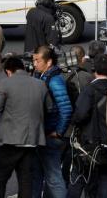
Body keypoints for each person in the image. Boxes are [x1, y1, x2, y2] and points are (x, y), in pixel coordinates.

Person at [0, 55, 47, 198]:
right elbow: (48, 107)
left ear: (8, 70)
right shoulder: (40, 84)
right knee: (26, 180)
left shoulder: (5, 83)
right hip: (32, 140)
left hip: (10, 140)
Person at [68, 54, 107, 198]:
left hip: (88, 143)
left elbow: (80, 115)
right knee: (105, 181)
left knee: (79, 178)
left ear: (94, 70)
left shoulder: (89, 90)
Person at [32, 46, 73, 198]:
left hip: (50, 136)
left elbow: (66, 108)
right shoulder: (44, 76)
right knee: (37, 176)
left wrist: (59, 131)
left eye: (38, 60)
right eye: (33, 60)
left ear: (48, 62)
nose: (34, 64)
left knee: (53, 178)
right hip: (43, 135)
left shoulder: (54, 80)